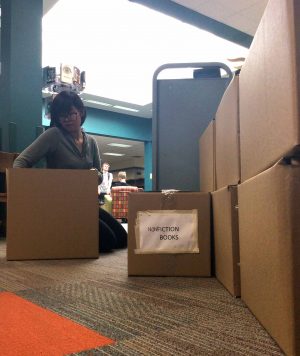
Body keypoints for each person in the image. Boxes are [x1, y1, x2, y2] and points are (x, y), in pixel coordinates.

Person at [13, 90, 127, 253]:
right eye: (61, 115)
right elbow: (20, 162)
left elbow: (100, 177)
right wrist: (33, 192)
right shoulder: (53, 135)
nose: (66, 119)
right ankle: (59, 235)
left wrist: (94, 174)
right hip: (60, 204)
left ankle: (66, 235)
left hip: (84, 203)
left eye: (71, 114)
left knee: (122, 239)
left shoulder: (91, 141)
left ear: (80, 111)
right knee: (108, 241)